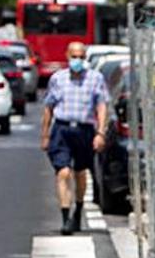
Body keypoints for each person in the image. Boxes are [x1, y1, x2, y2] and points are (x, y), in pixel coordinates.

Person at [41, 41, 109, 235]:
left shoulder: (95, 79)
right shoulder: (58, 79)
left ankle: (78, 212)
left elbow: (102, 106)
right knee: (63, 173)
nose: (77, 61)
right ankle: (65, 219)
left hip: (84, 130)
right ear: (67, 56)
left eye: (80, 57)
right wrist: (45, 135)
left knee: (80, 173)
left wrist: (100, 133)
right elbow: (48, 107)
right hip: (62, 129)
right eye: (74, 56)